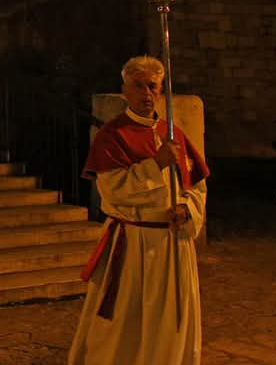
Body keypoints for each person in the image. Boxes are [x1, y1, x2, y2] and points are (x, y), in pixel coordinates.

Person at [67, 56, 209, 365]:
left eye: (152, 86)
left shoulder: (175, 134)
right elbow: (112, 190)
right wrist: (155, 164)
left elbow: (196, 187)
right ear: (124, 91)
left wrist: (186, 209)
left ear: (160, 91)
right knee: (124, 323)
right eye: (138, 86)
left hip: (173, 243)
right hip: (133, 245)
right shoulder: (113, 136)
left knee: (171, 321)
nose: (146, 93)